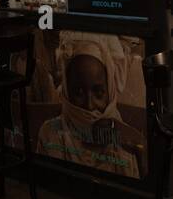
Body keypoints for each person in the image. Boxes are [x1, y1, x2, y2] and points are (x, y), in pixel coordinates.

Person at [37, 33, 142, 178]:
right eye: (78, 92)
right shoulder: (51, 135)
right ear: (67, 92)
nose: (89, 105)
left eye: (99, 93)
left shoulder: (127, 143)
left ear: (110, 92)